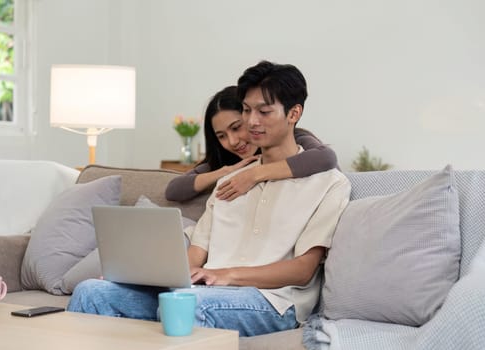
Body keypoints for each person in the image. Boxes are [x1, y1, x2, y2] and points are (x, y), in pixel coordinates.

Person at [67, 60, 351, 337]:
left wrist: (225, 274)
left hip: (272, 301)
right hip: (201, 291)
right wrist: (146, 276)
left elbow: (302, 271)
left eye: (264, 112)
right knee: (92, 292)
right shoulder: (227, 183)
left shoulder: (328, 183)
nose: (252, 122)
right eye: (247, 110)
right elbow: (196, 253)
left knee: (186, 308)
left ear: (293, 113)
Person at [165, 86, 338, 202]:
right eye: (221, 136)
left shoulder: (293, 138)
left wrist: (253, 174)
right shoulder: (226, 160)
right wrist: (226, 171)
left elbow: (326, 157)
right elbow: (173, 190)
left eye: (236, 127)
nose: (232, 142)